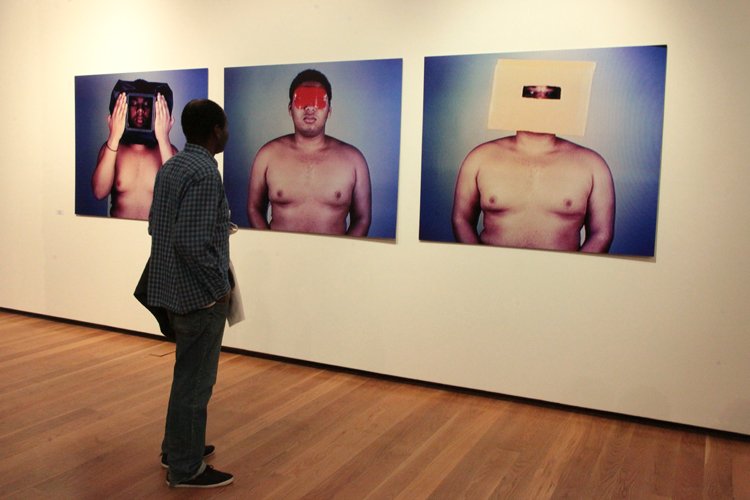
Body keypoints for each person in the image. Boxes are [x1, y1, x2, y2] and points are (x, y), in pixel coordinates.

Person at [146, 99, 234, 488]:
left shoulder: (172, 167)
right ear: (216, 130)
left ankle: (177, 448)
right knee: (196, 384)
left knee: (185, 377)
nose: (227, 133)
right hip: (198, 298)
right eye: (225, 126)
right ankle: (186, 468)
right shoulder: (204, 173)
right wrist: (219, 289)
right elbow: (191, 243)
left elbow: (156, 226)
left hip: (171, 291)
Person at [247, 69, 372, 236]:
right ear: (290, 109)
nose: (310, 108)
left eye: (319, 100)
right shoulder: (267, 156)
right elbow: (254, 208)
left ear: (329, 111)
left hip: (334, 252)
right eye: (302, 99)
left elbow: (362, 219)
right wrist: (269, 245)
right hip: (277, 252)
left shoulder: (354, 160)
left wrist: (344, 251)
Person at [452, 130, 615, 252]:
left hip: (563, 277)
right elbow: (461, 219)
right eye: (531, 94)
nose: (540, 98)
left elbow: (601, 234)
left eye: (549, 95)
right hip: (492, 275)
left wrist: (574, 275)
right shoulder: (480, 157)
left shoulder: (592, 164)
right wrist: (479, 265)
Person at [91, 81, 178, 220]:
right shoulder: (113, 149)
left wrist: (163, 139)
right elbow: (99, 193)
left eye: (146, 105)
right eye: (134, 104)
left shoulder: (169, 150)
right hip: (118, 231)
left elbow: (178, 196)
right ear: (125, 107)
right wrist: (113, 137)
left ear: (154, 109)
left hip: (155, 233)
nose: (140, 111)